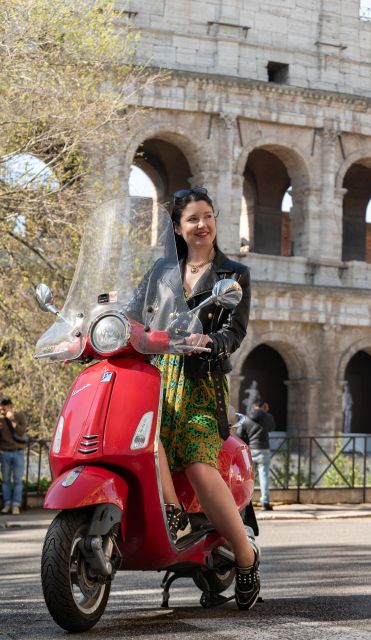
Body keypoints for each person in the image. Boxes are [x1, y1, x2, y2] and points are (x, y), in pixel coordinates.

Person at [126, 186, 260, 610]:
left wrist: (211, 339)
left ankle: (245, 555)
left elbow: (234, 331)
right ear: (179, 229)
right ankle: (174, 517)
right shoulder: (161, 271)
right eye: (192, 219)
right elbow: (132, 315)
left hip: (201, 382)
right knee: (142, 439)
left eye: (208, 216)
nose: (202, 225)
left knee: (199, 462)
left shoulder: (232, 274)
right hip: (157, 378)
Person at [238, 400, 276, 511]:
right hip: (264, 450)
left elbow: (240, 435)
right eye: (266, 407)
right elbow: (272, 428)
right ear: (263, 406)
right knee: (264, 476)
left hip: (250, 451)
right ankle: (265, 501)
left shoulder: (246, 418)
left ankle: (247, 502)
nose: (267, 409)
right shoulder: (268, 417)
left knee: (249, 478)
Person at [0, 397, 27, 515]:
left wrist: (12, 420)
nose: (4, 408)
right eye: (2, 406)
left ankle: (16, 505)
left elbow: (21, 432)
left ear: (10, 406)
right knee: (5, 480)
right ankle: (7, 504)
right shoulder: (0, 419)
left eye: (6, 406)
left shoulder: (19, 416)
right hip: (5, 452)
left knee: (17, 480)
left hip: (18, 452)